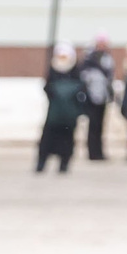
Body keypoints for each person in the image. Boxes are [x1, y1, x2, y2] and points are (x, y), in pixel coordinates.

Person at [37, 43, 87, 173]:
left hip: (69, 113)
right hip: (54, 112)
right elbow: (47, 88)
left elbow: (81, 90)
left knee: (67, 140)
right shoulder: (53, 69)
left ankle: (64, 164)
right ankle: (41, 164)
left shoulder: (75, 70)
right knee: (47, 139)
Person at [80, 35, 116, 161]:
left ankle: (99, 151)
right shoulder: (89, 59)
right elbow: (84, 77)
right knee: (93, 126)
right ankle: (92, 152)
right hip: (92, 97)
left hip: (103, 97)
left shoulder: (107, 58)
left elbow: (109, 77)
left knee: (100, 126)